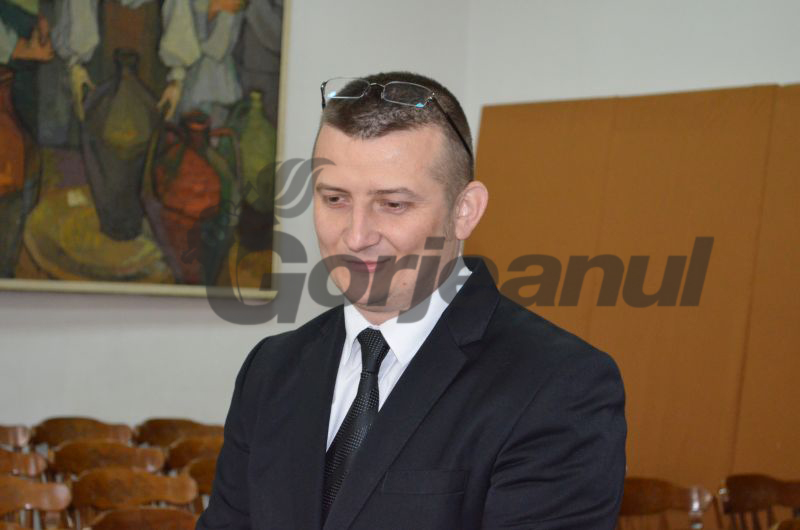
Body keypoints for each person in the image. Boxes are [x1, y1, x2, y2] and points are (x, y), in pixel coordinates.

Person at [197, 71, 627, 530]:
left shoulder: (559, 384)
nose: (356, 236)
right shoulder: (270, 369)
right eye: (336, 199)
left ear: (464, 211)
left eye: (393, 204)